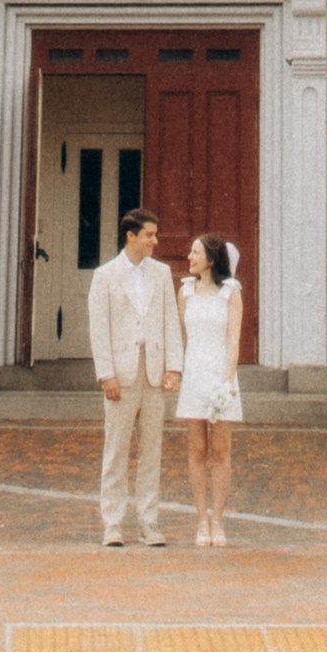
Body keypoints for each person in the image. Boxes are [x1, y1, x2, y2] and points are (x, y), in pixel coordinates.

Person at [86, 205, 182, 546]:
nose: (155, 241)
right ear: (131, 236)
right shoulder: (105, 275)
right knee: (116, 450)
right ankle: (112, 523)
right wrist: (106, 375)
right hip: (121, 375)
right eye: (149, 236)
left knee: (151, 450)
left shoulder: (161, 273)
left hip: (153, 371)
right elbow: (99, 329)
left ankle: (148, 521)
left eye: (155, 235)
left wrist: (174, 367)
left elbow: (171, 320)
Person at [176, 230, 244, 545]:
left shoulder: (230, 292)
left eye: (195, 253)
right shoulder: (185, 292)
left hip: (220, 375)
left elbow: (233, 338)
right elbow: (183, 339)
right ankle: (201, 519)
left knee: (220, 451)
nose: (189, 258)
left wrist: (227, 380)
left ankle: (218, 519)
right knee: (196, 451)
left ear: (211, 259)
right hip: (194, 374)